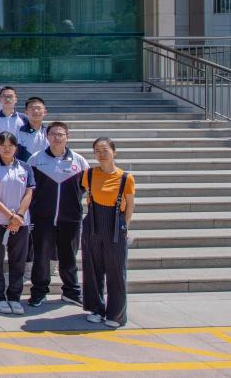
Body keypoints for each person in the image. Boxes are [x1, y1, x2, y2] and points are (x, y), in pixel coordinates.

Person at [28, 121, 89, 308]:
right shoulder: (36, 159)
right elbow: (29, 188)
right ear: (47, 137)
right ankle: (39, 292)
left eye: (60, 134)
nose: (56, 137)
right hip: (42, 219)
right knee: (41, 257)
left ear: (67, 137)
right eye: (53, 134)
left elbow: (85, 188)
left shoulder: (79, 161)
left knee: (69, 257)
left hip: (70, 220)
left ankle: (71, 292)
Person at [81, 137, 135, 329]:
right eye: (97, 150)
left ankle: (116, 313)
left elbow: (130, 204)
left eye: (105, 150)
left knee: (116, 270)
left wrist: (125, 227)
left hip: (115, 224)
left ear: (114, 152)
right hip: (93, 222)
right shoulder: (89, 174)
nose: (101, 154)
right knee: (92, 267)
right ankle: (96, 308)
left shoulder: (125, 177)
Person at [0, 132, 34, 316]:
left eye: (10, 145)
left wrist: (18, 216)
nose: (6, 148)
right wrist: (9, 215)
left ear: (16, 147)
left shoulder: (25, 167)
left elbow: (29, 193)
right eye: (2, 145)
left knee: (18, 261)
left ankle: (14, 297)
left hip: (21, 222)